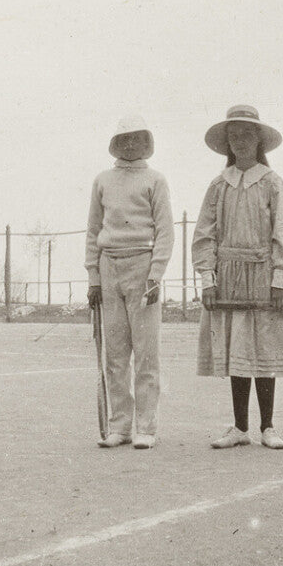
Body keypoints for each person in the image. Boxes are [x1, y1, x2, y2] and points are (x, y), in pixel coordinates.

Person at [192, 105, 283, 450]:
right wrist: (208, 280)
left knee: (264, 347)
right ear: (227, 143)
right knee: (237, 347)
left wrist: (281, 280)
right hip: (228, 276)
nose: (240, 141)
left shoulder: (272, 183)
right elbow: (204, 235)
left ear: (259, 141)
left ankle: (267, 426)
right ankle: (240, 427)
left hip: (264, 275)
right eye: (234, 135)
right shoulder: (217, 185)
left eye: (247, 134)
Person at [86, 114, 174, 450]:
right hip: (109, 269)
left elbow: (165, 230)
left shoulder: (155, 180)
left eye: (136, 138)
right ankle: (119, 425)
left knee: (147, 352)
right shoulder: (103, 181)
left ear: (145, 142)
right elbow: (94, 231)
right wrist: (93, 276)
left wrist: (155, 275)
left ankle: (146, 426)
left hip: (142, 266)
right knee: (116, 353)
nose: (130, 144)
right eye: (124, 139)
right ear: (116, 143)